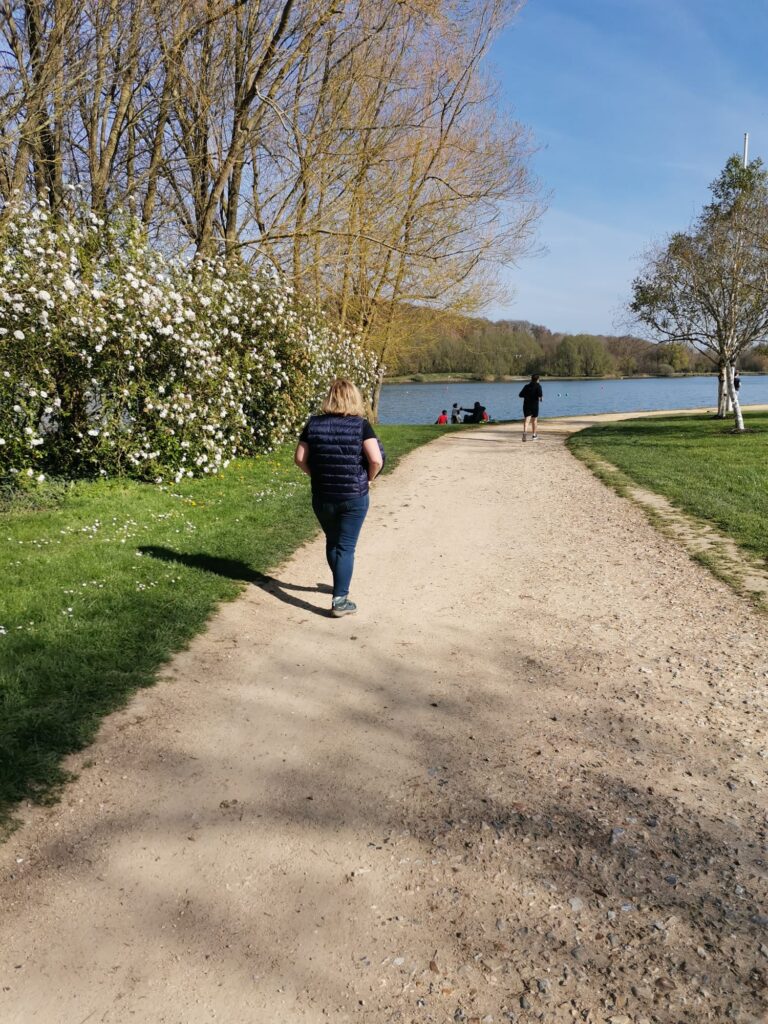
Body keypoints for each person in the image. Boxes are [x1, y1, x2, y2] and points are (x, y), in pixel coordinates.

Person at [294, 379, 383, 617]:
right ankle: (340, 600)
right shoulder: (360, 425)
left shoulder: (313, 424)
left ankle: (339, 585)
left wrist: (317, 475)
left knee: (333, 542)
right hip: (353, 496)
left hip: (323, 495)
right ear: (354, 398)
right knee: (346, 547)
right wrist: (369, 478)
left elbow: (299, 458)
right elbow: (375, 460)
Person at [519, 374, 543, 441]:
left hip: (526, 405)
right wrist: (541, 398)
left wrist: (527, 396)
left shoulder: (526, 386)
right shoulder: (538, 386)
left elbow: (520, 395)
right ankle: (534, 435)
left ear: (531, 379)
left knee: (527, 420)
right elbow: (540, 395)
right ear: (537, 379)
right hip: (534, 405)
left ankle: (524, 433)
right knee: (534, 420)